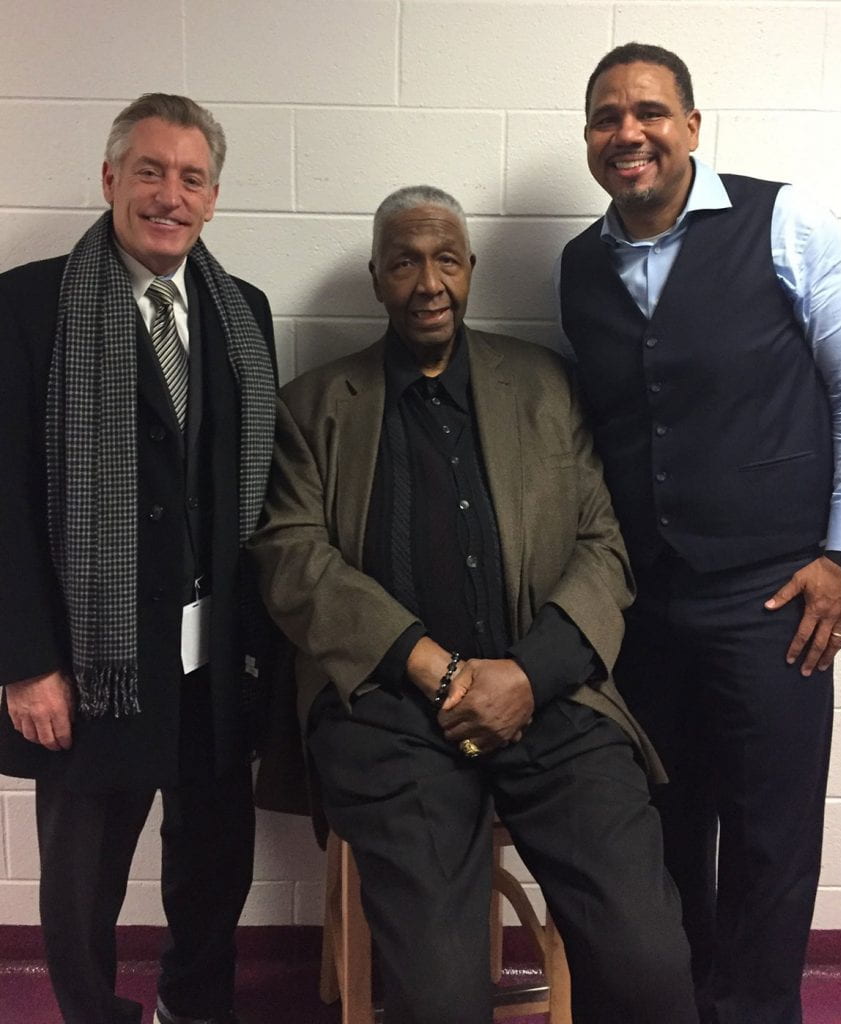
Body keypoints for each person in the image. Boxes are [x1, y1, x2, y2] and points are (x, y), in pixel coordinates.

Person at [249, 184, 698, 1024]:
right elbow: (291, 559)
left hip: (552, 699)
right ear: (377, 276)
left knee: (647, 962)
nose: (429, 281)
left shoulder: (542, 385)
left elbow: (604, 547)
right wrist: (437, 668)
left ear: (471, 270)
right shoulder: (313, 407)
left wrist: (526, 675)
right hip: (387, 713)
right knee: (440, 997)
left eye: (446, 259)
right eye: (406, 261)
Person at [559, 42, 841, 1024]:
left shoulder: (786, 221)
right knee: (662, 825)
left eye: (650, 112)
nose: (629, 133)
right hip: (647, 604)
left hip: (776, 596)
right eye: (608, 117)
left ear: (692, 127)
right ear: (588, 139)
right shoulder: (579, 265)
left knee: (770, 838)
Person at [0, 94, 278, 1024]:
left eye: (191, 177)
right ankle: (93, 1013)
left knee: (213, 862)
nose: (170, 194)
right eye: (150, 171)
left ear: (213, 197)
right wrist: (27, 661)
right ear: (111, 179)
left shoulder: (245, 314)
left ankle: (193, 1007)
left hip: (213, 655)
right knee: (84, 879)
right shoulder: (27, 306)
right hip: (92, 657)